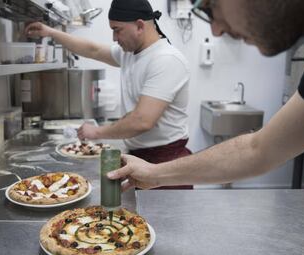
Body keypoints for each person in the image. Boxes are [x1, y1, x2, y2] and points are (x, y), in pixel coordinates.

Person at [107, 0, 304, 205]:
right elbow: (257, 149)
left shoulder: (167, 58)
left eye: (212, 5)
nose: (216, 30)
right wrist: (153, 174)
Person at [26, 0, 192, 189]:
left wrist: (96, 132)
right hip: (139, 158)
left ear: (139, 26)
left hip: (165, 165)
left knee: (162, 219)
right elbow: (93, 50)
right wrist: (51, 32)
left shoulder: (165, 59)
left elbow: (142, 120)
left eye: (117, 29)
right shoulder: (131, 53)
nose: (114, 37)